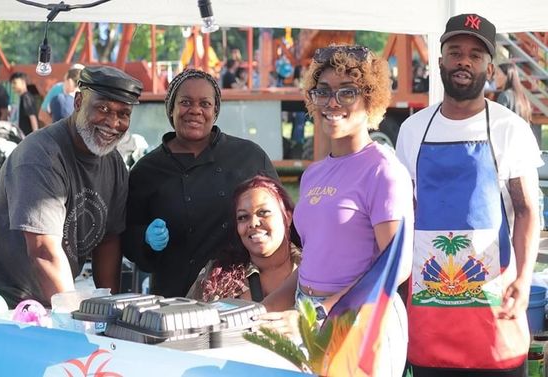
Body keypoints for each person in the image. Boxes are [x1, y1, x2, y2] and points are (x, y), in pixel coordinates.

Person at [395, 14, 542, 376]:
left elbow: (526, 211)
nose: (464, 60)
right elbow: (403, 214)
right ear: (439, 60)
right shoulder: (412, 130)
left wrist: (523, 281)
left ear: (489, 68)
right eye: (455, 52)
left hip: (494, 307)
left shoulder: (511, 129)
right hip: (430, 308)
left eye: (476, 55)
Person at [261, 44, 414, 376]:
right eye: (324, 92)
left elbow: (395, 268)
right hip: (309, 319)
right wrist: (261, 311)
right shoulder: (314, 173)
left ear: (370, 99)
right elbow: (314, 262)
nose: (332, 103)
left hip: (361, 323)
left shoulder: (383, 171)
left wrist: (320, 312)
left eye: (348, 93)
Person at [0, 66, 143, 307]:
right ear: (79, 102)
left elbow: (108, 240)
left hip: (51, 299)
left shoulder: (113, 163)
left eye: (123, 114)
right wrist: (74, 319)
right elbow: (43, 251)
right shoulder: (40, 155)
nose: (113, 122)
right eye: (103, 109)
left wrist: (109, 310)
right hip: (3, 301)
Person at [122, 69, 278, 298]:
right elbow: (127, 237)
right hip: (173, 296)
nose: (195, 110)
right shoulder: (146, 171)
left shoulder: (248, 156)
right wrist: (145, 238)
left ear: (215, 111)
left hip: (242, 295)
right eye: (185, 102)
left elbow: (283, 219)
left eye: (205, 103)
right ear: (171, 108)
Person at [187, 175, 300, 302]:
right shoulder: (215, 275)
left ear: (288, 217)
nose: (253, 223)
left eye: (263, 213)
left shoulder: (314, 267)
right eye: (243, 217)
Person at [10, 72, 38, 136]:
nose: (13, 86)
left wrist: (35, 136)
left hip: (27, 137)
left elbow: (32, 117)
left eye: (14, 82)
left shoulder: (26, 97)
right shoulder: (22, 97)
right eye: (12, 83)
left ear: (23, 82)